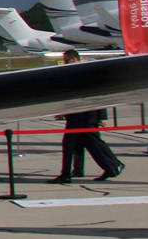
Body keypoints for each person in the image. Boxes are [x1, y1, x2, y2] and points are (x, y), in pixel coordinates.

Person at [50, 51, 125, 183]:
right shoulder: (76, 73)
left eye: (66, 60)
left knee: (74, 145)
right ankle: (107, 168)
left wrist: (102, 116)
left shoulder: (84, 73)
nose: (65, 63)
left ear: (73, 59)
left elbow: (97, 95)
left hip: (83, 117)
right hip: (80, 116)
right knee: (87, 145)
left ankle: (66, 174)